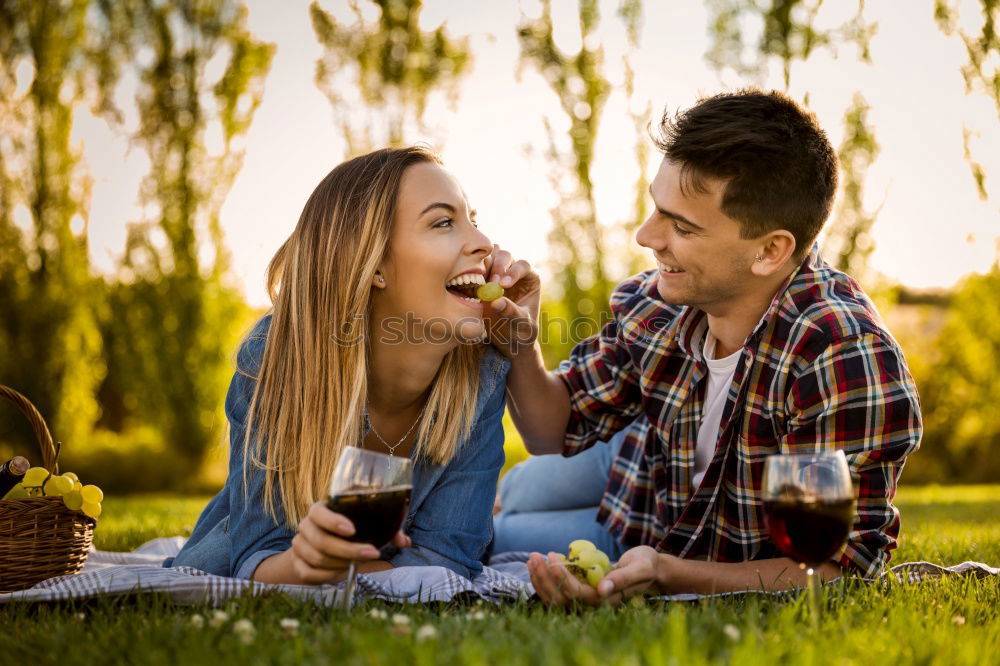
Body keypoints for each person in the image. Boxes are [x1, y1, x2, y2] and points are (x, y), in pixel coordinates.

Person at [484, 89, 922, 605]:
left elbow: (836, 569)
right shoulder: (658, 304)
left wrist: (666, 572)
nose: (647, 237)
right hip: (643, 470)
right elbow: (550, 427)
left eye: (682, 226)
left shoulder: (841, 356)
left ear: (770, 250)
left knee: (490, 538)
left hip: (656, 532)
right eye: (656, 209)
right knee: (518, 490)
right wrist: (520, 343)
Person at [166, 146, 515, 584]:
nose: (483, 242)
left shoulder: (482, 373)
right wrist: (304, 563)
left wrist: (356, 571)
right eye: (444, 222)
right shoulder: (278, 357)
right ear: (375, 266)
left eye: (473, 219)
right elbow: (255, 557)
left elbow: (450, 558)